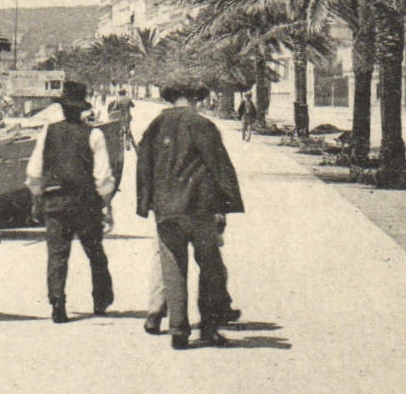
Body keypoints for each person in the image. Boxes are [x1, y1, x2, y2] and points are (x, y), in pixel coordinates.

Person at [137, 81, 245, 349]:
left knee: (172, 268)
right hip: (199, 209)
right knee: (209, 267)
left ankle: (178, 330)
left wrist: (146, 203)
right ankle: (208, 329)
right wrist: (225, 204)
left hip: (166, 210)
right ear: (196, 98)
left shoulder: (155, 126)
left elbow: (144, 166)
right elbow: (218, 165)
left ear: (171, 98)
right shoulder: (202, 124)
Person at [26, 80, 115, 323]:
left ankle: (57, 304)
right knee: (95, 252)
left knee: (57, 255)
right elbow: (103, 177)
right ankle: (101, 300)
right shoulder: (94, 134)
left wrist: (37, 198)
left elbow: (34, 171)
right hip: (86, 204)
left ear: (63, 109)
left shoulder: (48, 132)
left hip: (55, 203)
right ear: (83, 110)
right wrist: (107, 206)